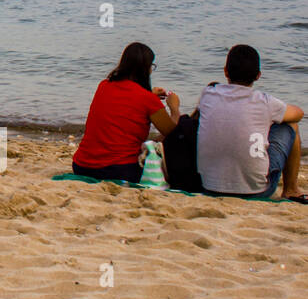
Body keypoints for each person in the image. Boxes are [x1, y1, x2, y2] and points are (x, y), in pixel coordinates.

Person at [196, 44, 305, 202]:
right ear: (258, 75)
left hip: (209, 186)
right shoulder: (264, 101)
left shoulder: (208, 94)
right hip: (256, 191)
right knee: (290, 125)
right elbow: (298, 113)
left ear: (225, 71)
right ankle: (291, 189)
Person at [71, 42, 179, 182]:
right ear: (146, 68)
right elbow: (172, 133)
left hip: (82, 165)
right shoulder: (147, 99)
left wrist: (150, 95)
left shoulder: (104, 86)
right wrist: (174, 108)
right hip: (119, 170)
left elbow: (126, 101)